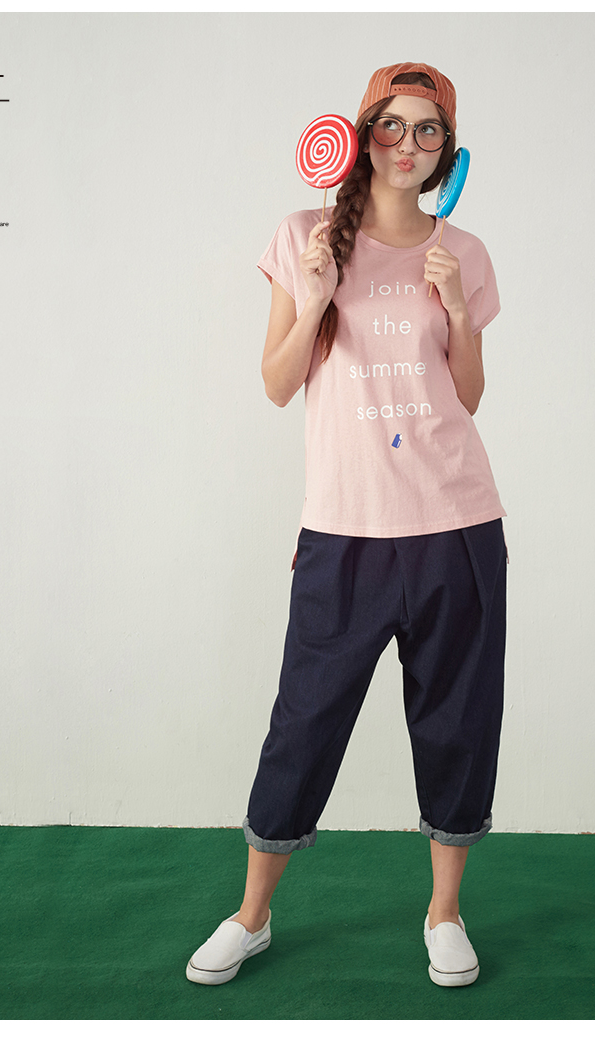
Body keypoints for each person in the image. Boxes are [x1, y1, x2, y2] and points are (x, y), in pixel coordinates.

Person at [186, 63, 507, 989]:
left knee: (457, 721)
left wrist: (456, 307)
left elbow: (469, 396)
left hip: (457, 525)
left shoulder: (465, 251)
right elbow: (277, 382)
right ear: (362, 135)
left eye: (428, 130)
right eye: (392, 126)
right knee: (304, 722)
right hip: (344, 530)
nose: (409, 145)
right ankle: (252, 915)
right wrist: (322, 295)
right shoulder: (304, 237)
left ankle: (444, 914)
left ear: (449, 150)